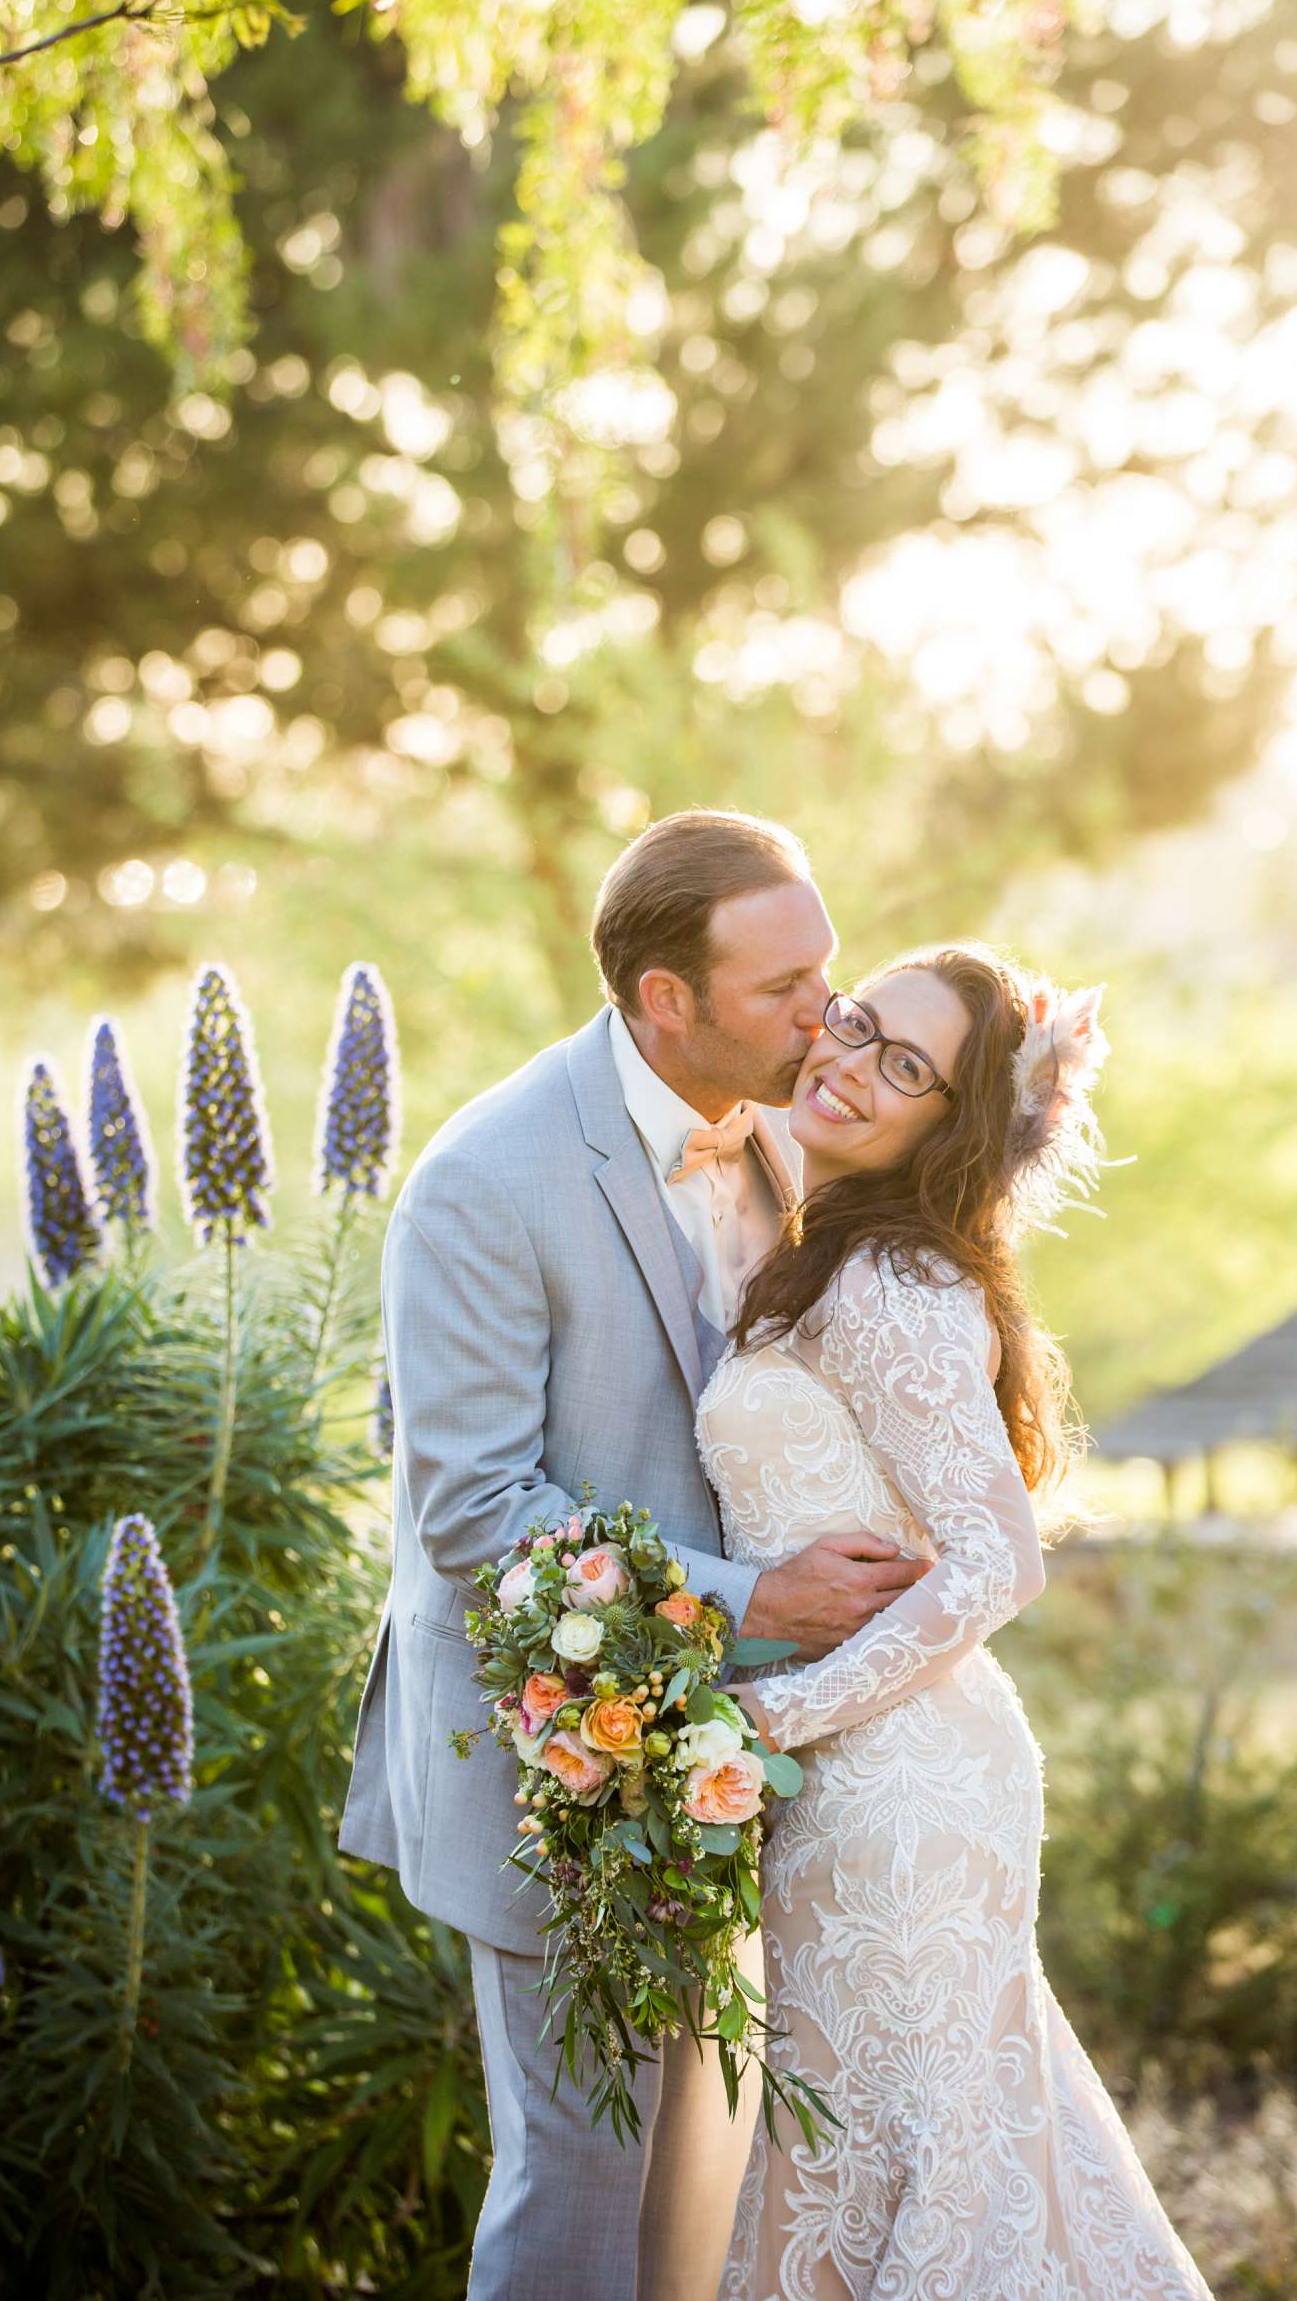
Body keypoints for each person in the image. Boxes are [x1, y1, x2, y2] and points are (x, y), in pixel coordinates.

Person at [338, 811, 929, 2301]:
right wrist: (753, 1603)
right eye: (784, 987)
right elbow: (472, 1513)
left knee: (705, 2190)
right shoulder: (488, 1181)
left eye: (832, 972)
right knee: (584, 2192)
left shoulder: (798, 1126)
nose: (829, 1014)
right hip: (564, 1769)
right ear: (666, 1001)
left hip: (757, 1747)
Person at [703, 945, 1214, 2301]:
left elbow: (999, 1565)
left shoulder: (897, 1287)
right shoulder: (829, 1249)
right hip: (855, 1780)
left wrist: (766, 1722)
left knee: (918, 2164)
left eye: (905, 1068)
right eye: (858, 1023)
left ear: (949, 1121)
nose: (853, 1065)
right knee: (882, 2158)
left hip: (904, 1792)